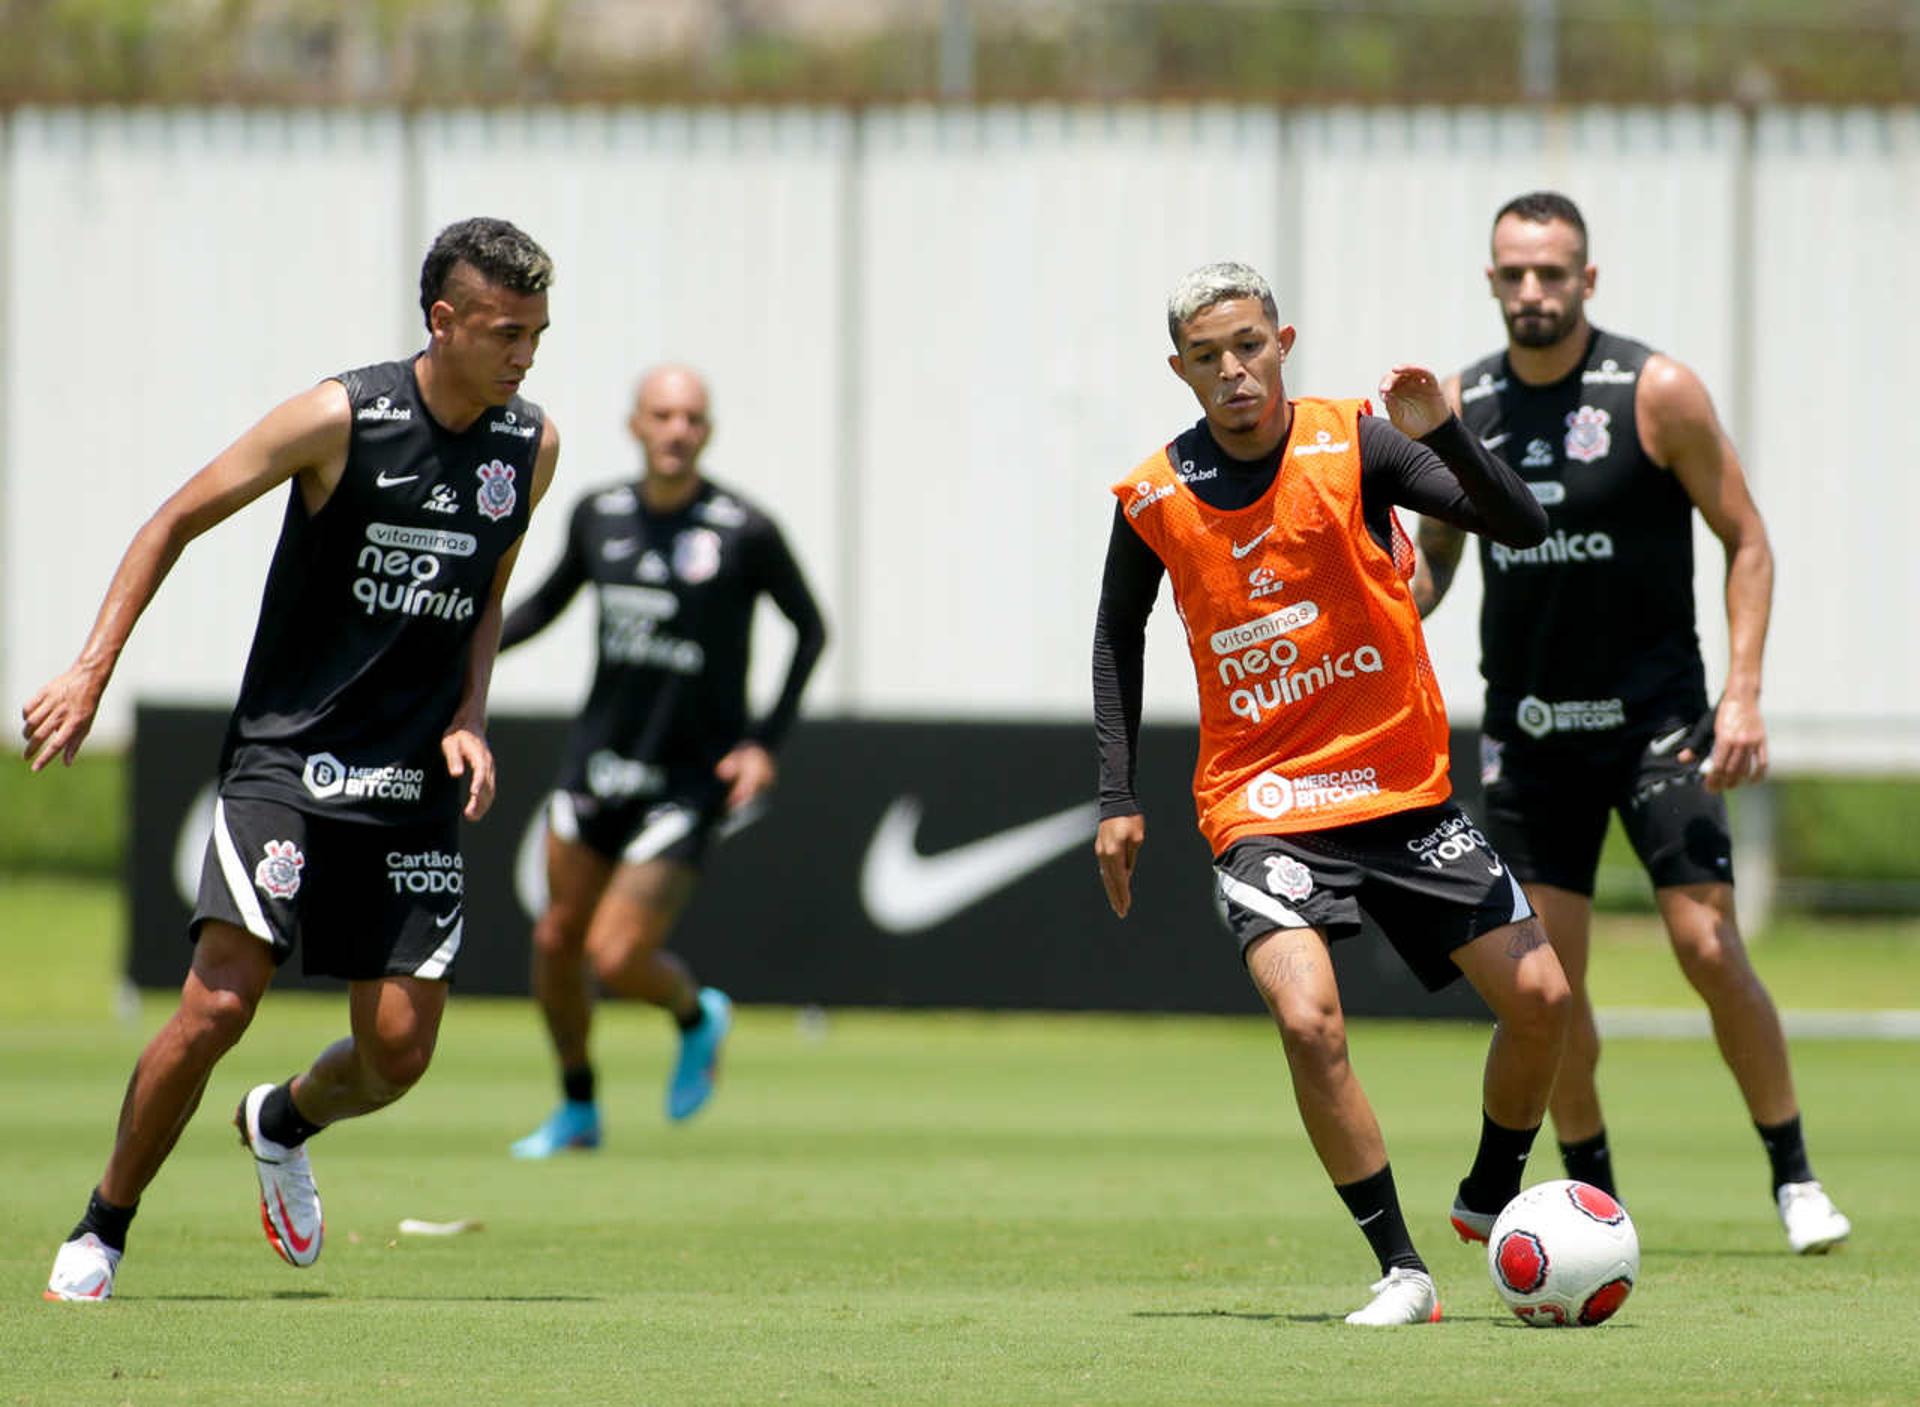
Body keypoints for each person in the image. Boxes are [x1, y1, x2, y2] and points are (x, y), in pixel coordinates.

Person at [25, 218, 561, 1301]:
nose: (527, 355)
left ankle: (280, 1119)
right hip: (289, 762)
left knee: (399, 1055)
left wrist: (470, 714)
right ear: (443, 321)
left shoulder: (530, 447)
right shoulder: (339, 418)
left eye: (540, 333)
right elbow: (176, 517)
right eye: (508, 332)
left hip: (411, 787)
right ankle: (104, 1225)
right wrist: (90, 670)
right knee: (222, 1003)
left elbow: (487, 595)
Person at [1093, 261, 1569, 1325]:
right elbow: (1116, 635)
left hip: (1402, 792)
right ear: (1182, 371)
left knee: (1544, 1005)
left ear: (1283, 342)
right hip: (1264, 807)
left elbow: (1522, 528)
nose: (1234, 371)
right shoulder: (1154, 497)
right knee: (1310, 1024)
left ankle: (1490, 1194)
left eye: (1249, 345)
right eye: (1208, 357)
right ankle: (1402, 1270)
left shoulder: (1355, 440)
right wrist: (1116, 793)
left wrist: (1444, 430)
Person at [1414, 191, 1850, 1254]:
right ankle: (1595, 1200)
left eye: (1552, 272)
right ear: (1490, 280)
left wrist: (1742, 691)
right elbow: (1428, 569)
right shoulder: (1463, 406)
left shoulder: (1657, 392)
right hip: (1531, 736)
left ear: (1588, 280)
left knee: (1706, 945)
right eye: (1513, 273)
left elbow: (1748, 540)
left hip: (1658, 726)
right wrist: (1369, 613)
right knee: (1549, 990)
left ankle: (1794, 1176)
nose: (1533, 291)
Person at [503, 365, 826, 1157]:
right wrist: (459, 659)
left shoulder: (744, 529)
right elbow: (545, 604)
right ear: (636, 426)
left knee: (615, 955)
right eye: (662, 415)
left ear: (705, 432)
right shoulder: (598, 515)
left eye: (691, 417)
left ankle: (694, 1014)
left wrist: (763, 742)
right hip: (597, 766)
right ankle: (578, 1106)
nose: (677, 429)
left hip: (687, 781)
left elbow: (810, 629)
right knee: (556, 942)